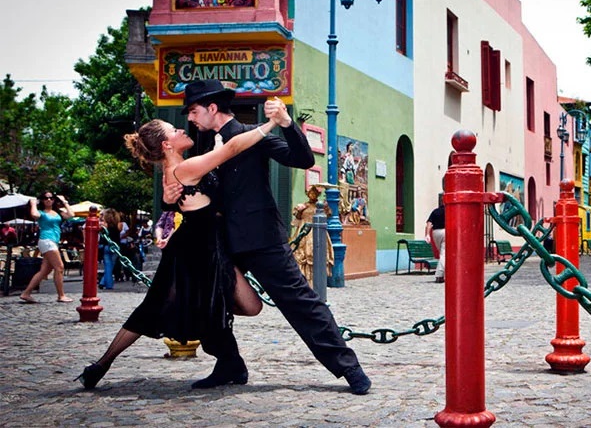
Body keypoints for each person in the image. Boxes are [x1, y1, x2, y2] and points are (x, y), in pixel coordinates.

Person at [179, 78, 371, 394]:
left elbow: (303, 160)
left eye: (194, 111)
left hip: (261, 237)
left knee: (299, 302)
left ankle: (349, 369)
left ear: (212, 108)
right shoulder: (203, 143)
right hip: (221, 240)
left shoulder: (252, 134)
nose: (190, 118)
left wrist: (286, 123)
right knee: (208, 298)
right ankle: (229, 364)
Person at [75, 117, 270, 390]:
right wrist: (269, 125)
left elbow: (213, 163)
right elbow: (232, 149)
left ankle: (228, 361)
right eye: (174, 130)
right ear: (167, 145)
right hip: (194, 251)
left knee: (234, 306)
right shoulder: (184, 168)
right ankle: (101, 364)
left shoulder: (179, 168)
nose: (181, 130)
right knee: (157, 308)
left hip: (207, 248)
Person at [18, 192, 74, 303]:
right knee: (59, 267)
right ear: (42, 200)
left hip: (53, 241)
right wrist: (33, 203)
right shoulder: (41, 213)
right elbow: (34, 215)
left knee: (45, 271)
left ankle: (26, 293)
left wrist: (64, 202)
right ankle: (61, 295)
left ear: (54, 200)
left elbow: (71, 215)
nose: (48, 200)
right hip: (47, 240)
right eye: (45, 198)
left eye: (51, 198)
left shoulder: (58, 212)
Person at [290, 185, 333, 284]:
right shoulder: (304, 206)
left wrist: (326, 207)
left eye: (314, 193)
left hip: (317, 231)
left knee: (316, 252)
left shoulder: (320, 206)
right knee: (301, 253)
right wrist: (300, 210)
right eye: (311, 193)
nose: (312, 195)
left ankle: (316, 279)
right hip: (304, 231)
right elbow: (298, 216)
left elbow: (328, 215)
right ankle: (303, 278)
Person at [98, 208, 122, 290]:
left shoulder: (104, 225)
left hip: (106, 246)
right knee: (111, 266)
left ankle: (106, 283)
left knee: (108, 265)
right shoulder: (119, 224)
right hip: (115, 246)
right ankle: (105, 283)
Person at [425, 198, 446, 283]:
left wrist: (427, 234)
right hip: (446, 231)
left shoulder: (435, 211)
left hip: (435, 233)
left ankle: (442, 274)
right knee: (444, 254)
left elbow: (429, 223)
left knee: (442, 253)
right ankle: (439, 275)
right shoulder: (450, 210)